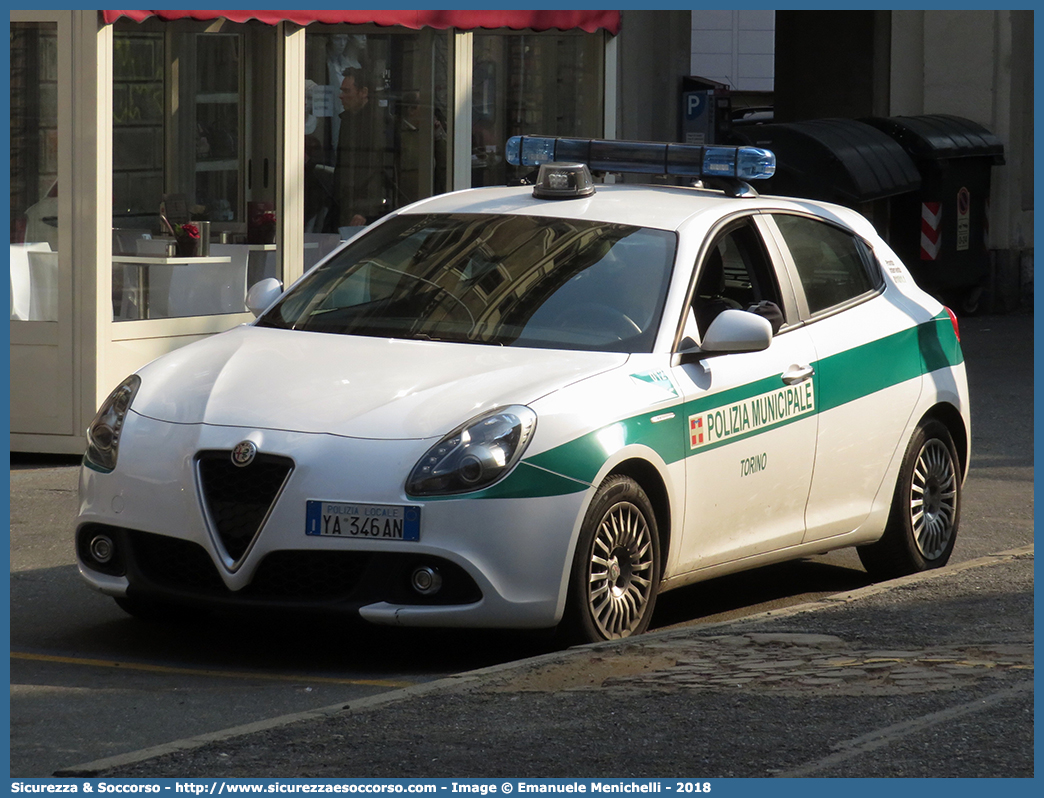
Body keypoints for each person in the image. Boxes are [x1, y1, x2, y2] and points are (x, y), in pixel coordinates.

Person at [334, 67, 391, 228]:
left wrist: (364, 210)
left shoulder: (376, 124)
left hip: (363, 211)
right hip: (347, 203)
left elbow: (377, 169)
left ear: (363, 92)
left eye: (347, 91)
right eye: (342, 90)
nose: (341, 96)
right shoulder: (348, 120)